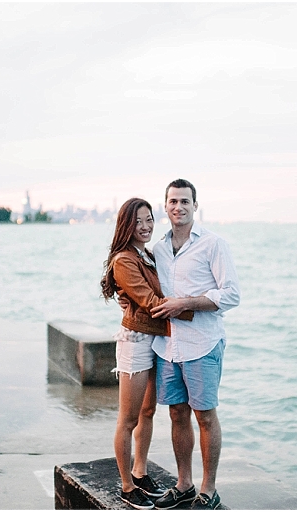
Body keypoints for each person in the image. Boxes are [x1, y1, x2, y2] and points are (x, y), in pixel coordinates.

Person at [149, 179, 241, 510]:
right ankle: (184, 484)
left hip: (203, 344)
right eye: (173, 201)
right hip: (167, 346)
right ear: (166, 206)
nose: (179, 207)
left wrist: (184, 303)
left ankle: (209, 490)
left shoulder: (214, 244)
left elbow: (231, 295)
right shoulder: (158, 249)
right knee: (176, 414)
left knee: (204, 416)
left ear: (195, 206)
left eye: (185, 201)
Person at [101, 197, 194, 510]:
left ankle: (139, 472)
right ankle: (127, 487)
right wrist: (193, 310)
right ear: (126, 225)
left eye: (149, 220)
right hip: (135, 342)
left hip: (156, 340)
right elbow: (149, 300)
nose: (145, 227)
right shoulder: (124, 260)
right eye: (138, 221)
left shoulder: (148, 254)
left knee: (148, 412)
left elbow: (160, 288)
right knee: (127, 419)